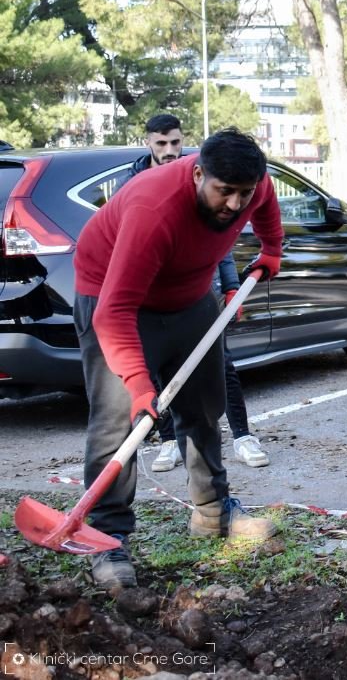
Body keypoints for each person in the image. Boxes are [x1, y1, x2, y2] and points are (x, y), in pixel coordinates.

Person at [76, 127, 285, 590]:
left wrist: (272, 249)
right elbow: (115, 310)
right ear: (196, 174)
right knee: (119, 423)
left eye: (242, 193)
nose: (234, 204)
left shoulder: (254, 185)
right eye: (223, 191)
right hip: (115, 299)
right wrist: (136, 383)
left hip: (190, 298)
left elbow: (266, 205)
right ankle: (107, 536)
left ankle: (212, 512)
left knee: (204, 406)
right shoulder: (152, 209)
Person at [130, 114, 270, 472]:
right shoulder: (137, 181)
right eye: (161, 143)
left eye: (175, 142)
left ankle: (242, 436)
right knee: (160, 369)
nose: (170, 150)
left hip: (201, 287)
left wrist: (232, 286)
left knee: (219, 364)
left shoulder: (205, 174)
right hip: (156, 293)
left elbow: (219, 242)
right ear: (147, 142)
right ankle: (169, 442)